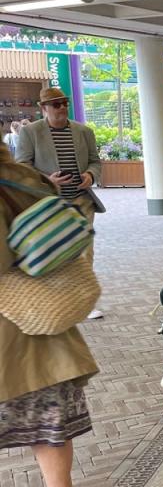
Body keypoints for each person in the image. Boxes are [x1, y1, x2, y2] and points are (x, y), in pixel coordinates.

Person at [1, 142, 97, 487]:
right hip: (46, 313)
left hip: (13, 322)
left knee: (39, 417)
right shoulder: (21, 173)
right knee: (47, 421)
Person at [16, 87, 104, 320]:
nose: (62, 107)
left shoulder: (84, 132)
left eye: (65, 103)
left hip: (81, 201)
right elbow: (22, 168)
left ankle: (84, 304)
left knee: (84, 252)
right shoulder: (30, 133)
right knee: (54, 252)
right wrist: (47, 180)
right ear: (43, 108)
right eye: (56, 104)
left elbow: (95, 161)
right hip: (49, 205)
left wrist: (90, 176)